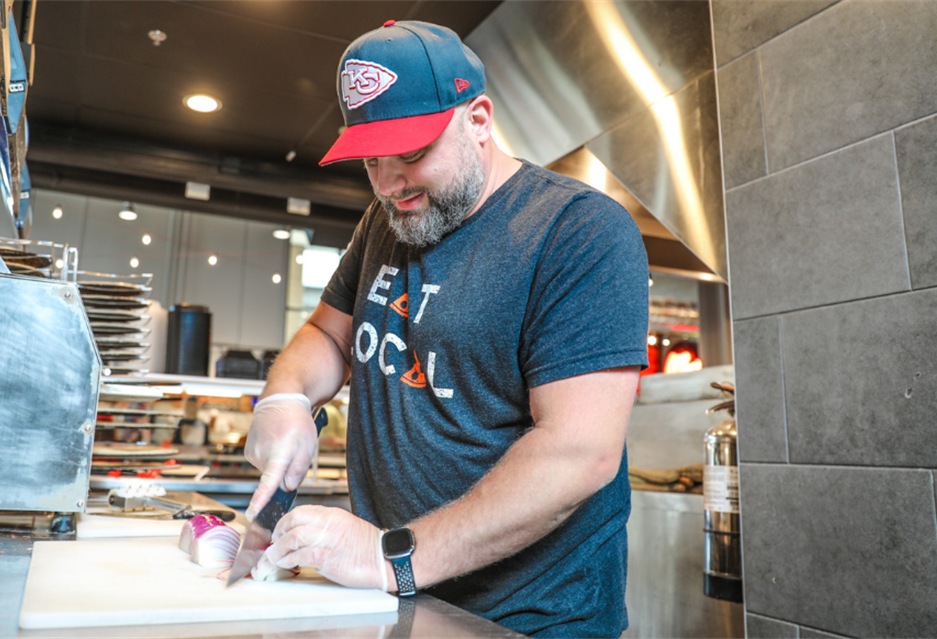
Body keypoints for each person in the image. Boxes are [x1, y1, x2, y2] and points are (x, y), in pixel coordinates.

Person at [245, 20, 649, 638]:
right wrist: (285, 397)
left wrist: (391, 556)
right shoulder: (384, 223)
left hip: (533, 619)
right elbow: (328, 337)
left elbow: (579, 452)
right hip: (404, 604)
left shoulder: (579, 231)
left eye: (409, 153)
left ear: (478, 120)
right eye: (371, 159)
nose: (388, 183)